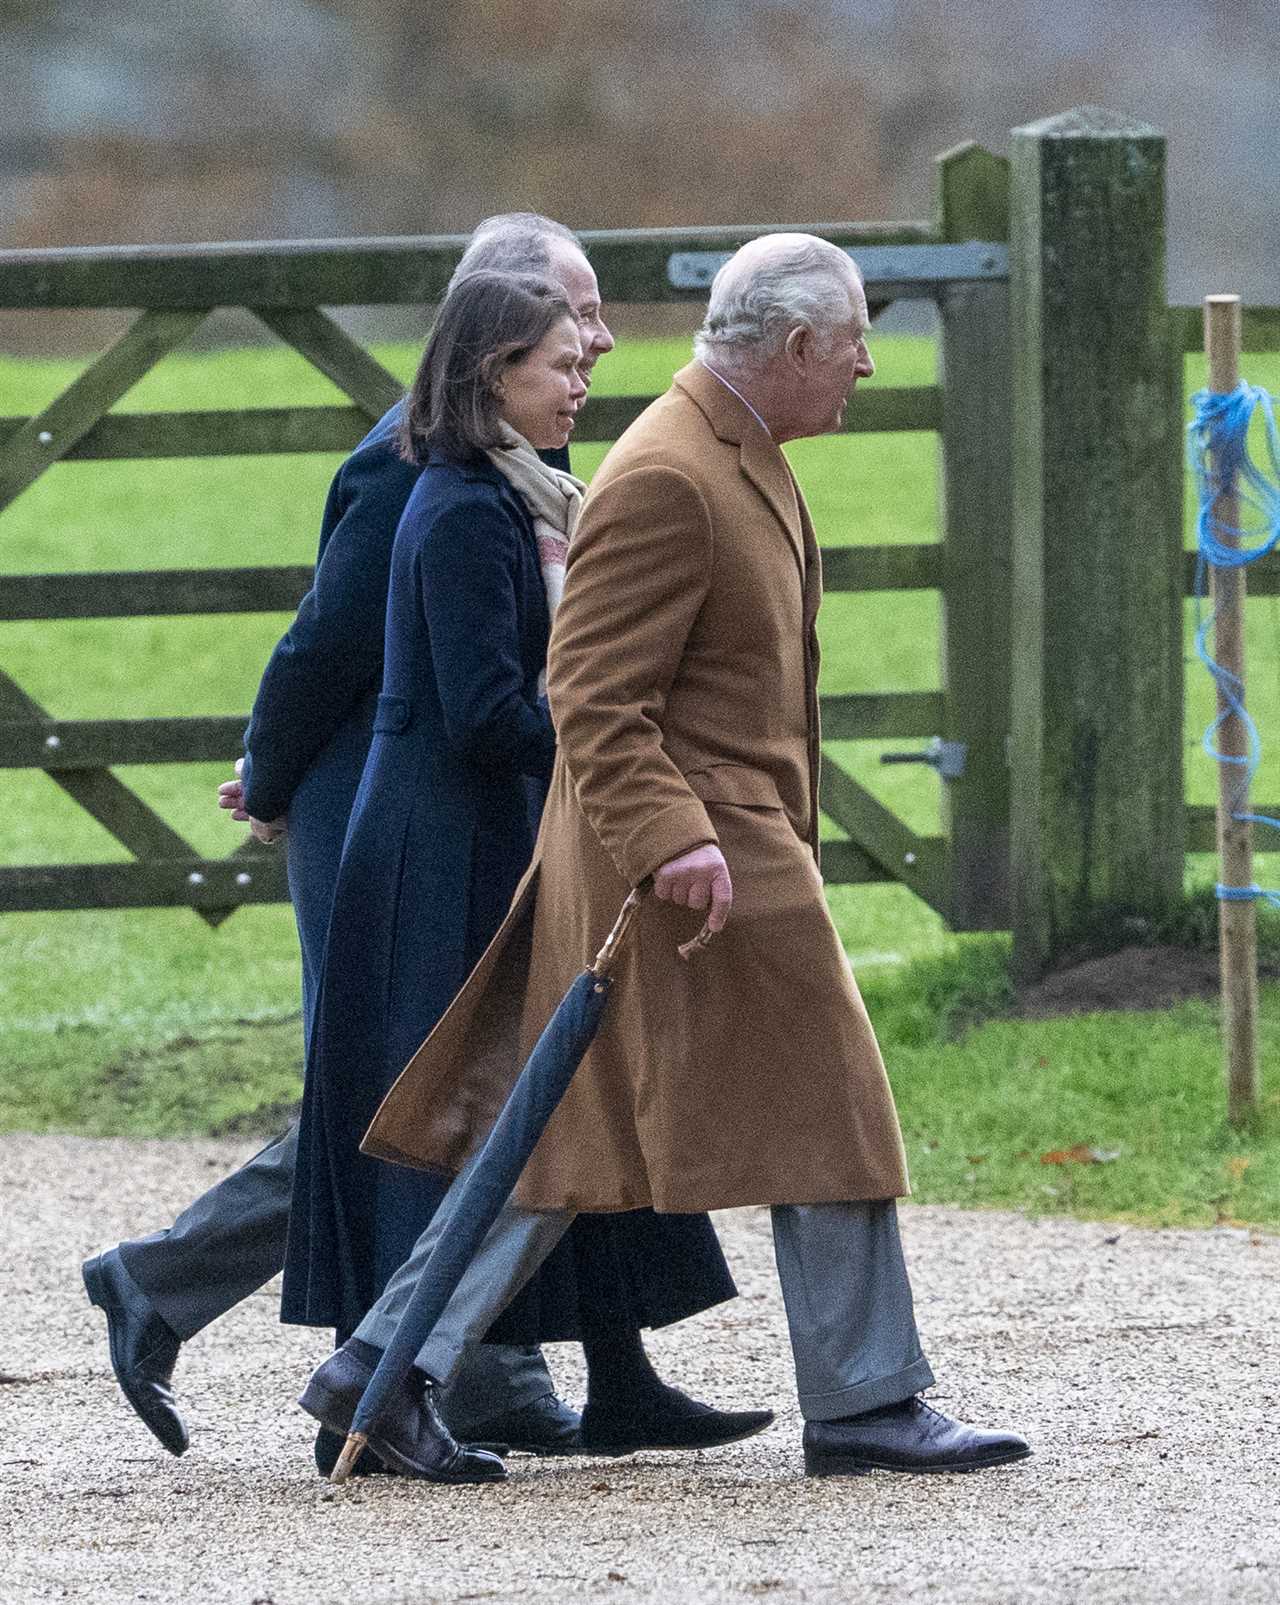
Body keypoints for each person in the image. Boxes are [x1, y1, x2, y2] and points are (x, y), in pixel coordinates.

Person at [304, 234, 1032, 1480]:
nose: (864, 361)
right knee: (834, 1103)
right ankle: (864, 1403)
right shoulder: (669, 475)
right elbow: (586, 693)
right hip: (697, 862)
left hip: (704, 854)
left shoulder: (739, 451)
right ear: (795, 346)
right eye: (851, 339)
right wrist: (674, 836)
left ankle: (381, 1366)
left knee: (558, 1138)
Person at [81, 215, 742, 1472]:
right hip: (385, 809)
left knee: (509, 1067)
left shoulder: (530, 461)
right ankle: (187, 1294)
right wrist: (271, 784)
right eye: (574, 319)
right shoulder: (412, 475)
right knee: (408, 1095)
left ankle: (565, 1367)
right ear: (492, 337)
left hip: (483, 797)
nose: (598, 342)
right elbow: (328, 644)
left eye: (594, 320)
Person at [284, 268, 765, 1484]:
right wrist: (625, 730)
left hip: (493, 832)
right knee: (481, 1112)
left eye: (583, 363)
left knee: (568, 1087)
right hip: (436, 851)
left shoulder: (520, 499)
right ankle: (388, 1387)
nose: (582, 380)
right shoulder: (454, 512)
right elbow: (484, 712)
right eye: (560, 363)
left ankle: (613, 1375)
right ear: (490, 373)